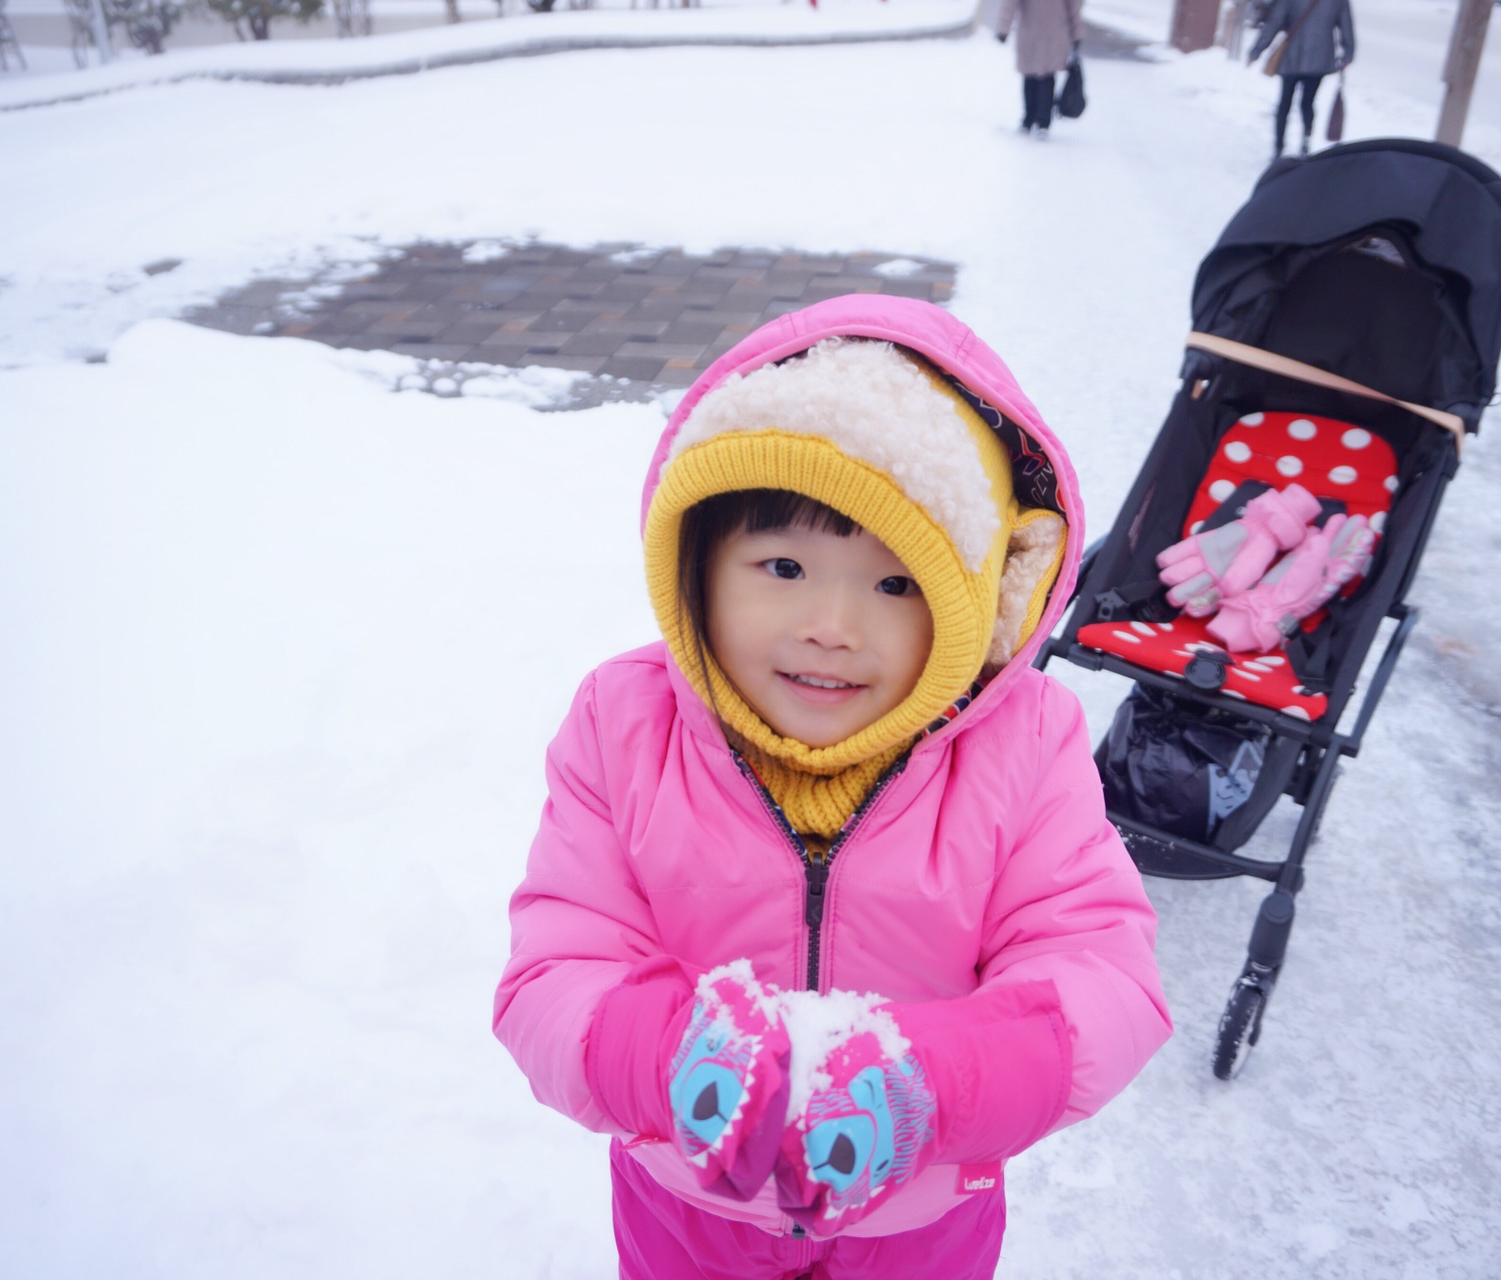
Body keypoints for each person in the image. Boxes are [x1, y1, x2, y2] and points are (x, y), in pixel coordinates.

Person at [493, 293, 1171, 1280]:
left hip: (918, 1213)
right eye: (783, 564)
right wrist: (672, 1060)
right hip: (688, 1200)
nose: (833, 625)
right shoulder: (623, 725)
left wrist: (936, 1079)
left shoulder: (1022, 746)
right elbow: (559, 968)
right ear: (697, 567)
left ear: (969, 607)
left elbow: (1100, 976)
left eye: (897, 583)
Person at [1248, 0, 1354, 158]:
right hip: (1319, 58)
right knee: (1308, 102)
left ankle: (1278, 147)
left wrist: (1256, 50)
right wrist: (1347, 55)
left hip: (1292, 57)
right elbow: (1346, 26)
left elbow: (1275, 22)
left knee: (1284, 103)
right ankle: (1305, 141)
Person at [995, 0, 1084, 138]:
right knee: (1035, 77)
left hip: (1050, 33)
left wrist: (1077, 33)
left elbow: (1073, 6)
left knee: (1042, 77)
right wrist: (1003, 28)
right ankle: (1034, 120)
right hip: (1038, 33)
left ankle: (1037, 120)